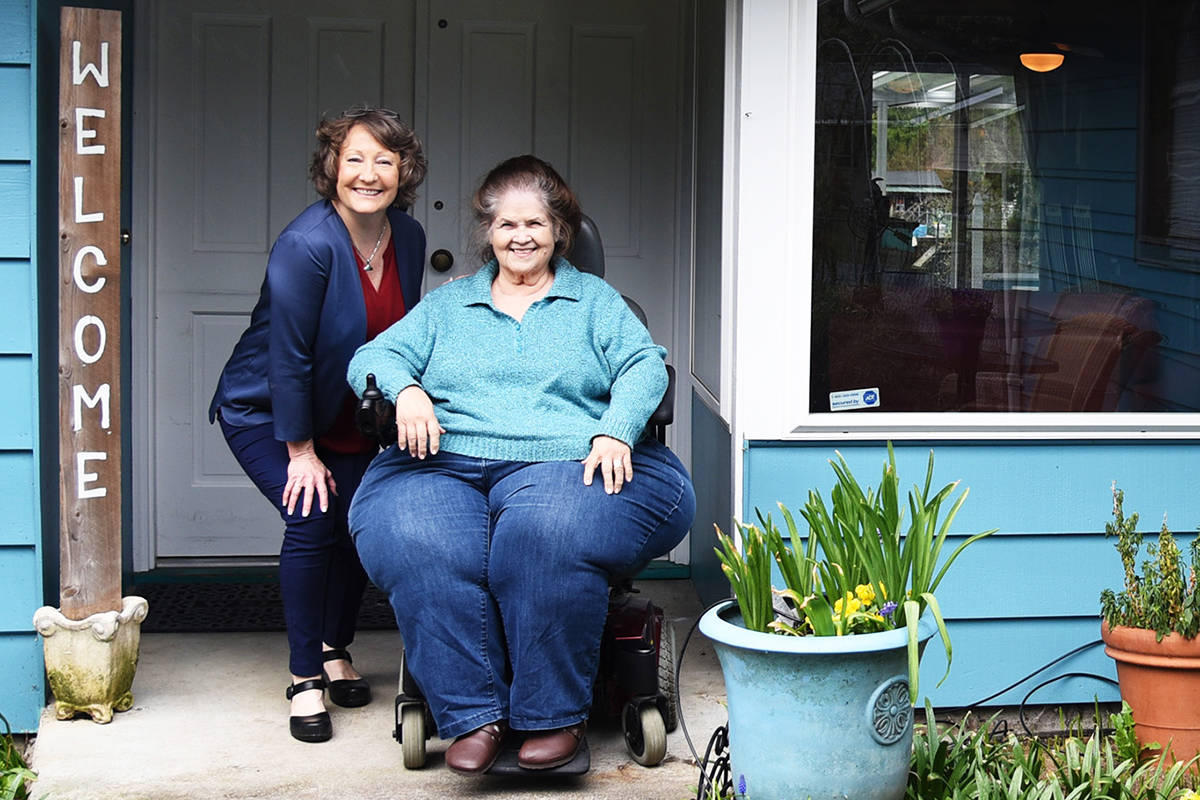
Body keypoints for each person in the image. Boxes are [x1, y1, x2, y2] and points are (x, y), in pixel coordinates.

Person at [347, 155, 695, 774]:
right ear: (488, 232)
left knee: (540, 538)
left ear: (559, 230)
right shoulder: (449, 305)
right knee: (418, 542)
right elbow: (374, 357)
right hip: (442, 462)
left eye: (535, 223)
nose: (521, 237)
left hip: (561, 461)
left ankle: (551, 717)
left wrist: (616, 430)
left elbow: (645, 367)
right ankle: (471, 715)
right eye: (507, 225)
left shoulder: (593, 300)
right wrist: (407, 391)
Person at [208, 107, 427, 743]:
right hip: (271, 409)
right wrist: (301, 450)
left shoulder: (407, 238)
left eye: (384, 161)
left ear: (403, 172)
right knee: (313, 517)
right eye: (354, 158)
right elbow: (290, 357)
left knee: (357, 523)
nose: (368, 173)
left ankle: (336, 649)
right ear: (331, 167)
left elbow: (400, 335)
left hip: (352, 409)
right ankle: (306, 679)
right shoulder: (306, 244)